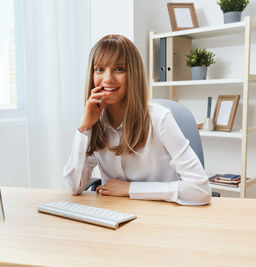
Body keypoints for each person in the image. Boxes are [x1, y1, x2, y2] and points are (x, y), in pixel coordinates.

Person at [63, 34, 211, 205]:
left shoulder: (160, 119)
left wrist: (130, 189)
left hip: (160, 214)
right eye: (99, 69)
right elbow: (74, 186)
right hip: (115, 214)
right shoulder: (94, 120)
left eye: (119, 69)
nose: (108, 79)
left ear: (133, 74)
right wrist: (84, 128)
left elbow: (201, 190)